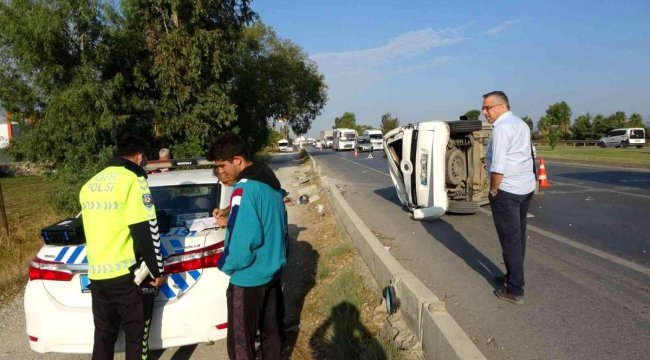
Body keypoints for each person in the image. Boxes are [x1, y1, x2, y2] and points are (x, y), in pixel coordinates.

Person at [79, 134, 166, 359]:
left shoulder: (90, 184)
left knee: (103, 336)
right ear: (139, 156)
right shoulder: (133, 181)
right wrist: (158, 270)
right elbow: (146, 229)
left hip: (97, 276)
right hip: (126, 276)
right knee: (136, 337)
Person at [207, 133, 287, 360]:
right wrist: (229, 214)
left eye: (222, 166)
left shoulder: (244, 188)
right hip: (271, 272)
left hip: (248, 278)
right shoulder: (269, 183)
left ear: (238, 160)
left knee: (241, 343)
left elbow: (242, 244)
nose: (220, 172)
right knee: (271, 334)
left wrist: (224, 263)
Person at [483, 91, 536, 305]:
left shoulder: (502, 129)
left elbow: (498, 168)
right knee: (518, 236)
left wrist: (494, 191)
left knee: (510, 239)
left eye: (488, 107)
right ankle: (512, 276)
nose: (484, 112)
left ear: (502, 106)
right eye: (483, 108)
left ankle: (514, 289)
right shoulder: (520, 123)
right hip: (524, 188)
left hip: (508, 191)